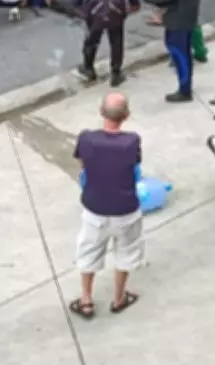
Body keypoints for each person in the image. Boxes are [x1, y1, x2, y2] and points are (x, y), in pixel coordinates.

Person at [71, 92, 143, 320]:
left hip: (95, 210)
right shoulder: (132, 141)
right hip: (126, 211)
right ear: (127, 116)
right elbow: (135, 166)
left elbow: (82, 165)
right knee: (126, 252)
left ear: (100, 112)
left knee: (89, 252)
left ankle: (85, 300)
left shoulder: (86, 139)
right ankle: (119, 298)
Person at [142, 0, 201, 103]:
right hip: (189, 15)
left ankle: (184, 89)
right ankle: (186, 83)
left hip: (178, 19)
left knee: (178, 52)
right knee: (185, 52)